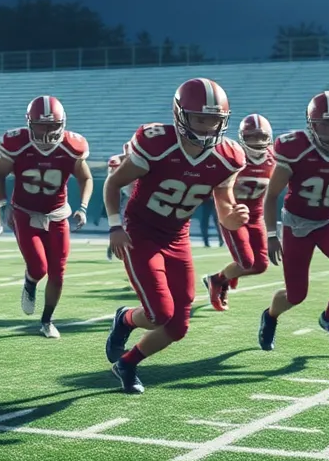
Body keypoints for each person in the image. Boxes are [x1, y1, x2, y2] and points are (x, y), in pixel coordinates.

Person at [102, 78, 248, 394]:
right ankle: (125, 320)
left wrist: (232, 218)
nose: (208, 128)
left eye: (215, 121)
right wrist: (115, 226)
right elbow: (113, 183)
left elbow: (224, 203)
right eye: (200, 119)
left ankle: (127, 364)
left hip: (177, 235)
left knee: (178, 326)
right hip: (141, 232)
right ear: (181, 115)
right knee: (158, 314)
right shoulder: (156, 143)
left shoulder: (228, 156)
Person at [259, 91, 329, 352]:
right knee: (296, 295)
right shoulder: (294, 148)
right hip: (297, 223)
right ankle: (270, 316)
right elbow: (272, 195)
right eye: (328, 123)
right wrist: (270, 234)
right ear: (312, 124)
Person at [0, 95, 94, 338]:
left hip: (58, 213)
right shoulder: (17, 144)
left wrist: (82, 207)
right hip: (25, 213)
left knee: (58, 273)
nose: (48, 131)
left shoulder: (71, 146)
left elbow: (86, 178)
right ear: (30, 123)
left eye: (53, 125)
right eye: (42, 125)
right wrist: (3, 204)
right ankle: (30, 282)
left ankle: (47, 320)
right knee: (38, 267)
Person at [202, 114, 274, 310]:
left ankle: (218, 278)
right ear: (243, 137)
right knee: (246, 261)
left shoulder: (274, 158)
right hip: (233, 215)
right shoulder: (233, 157)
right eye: (252, 137)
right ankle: (218, 282)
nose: (257, 141)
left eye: (261, 136)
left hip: (256, 216)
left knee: (260, 265)